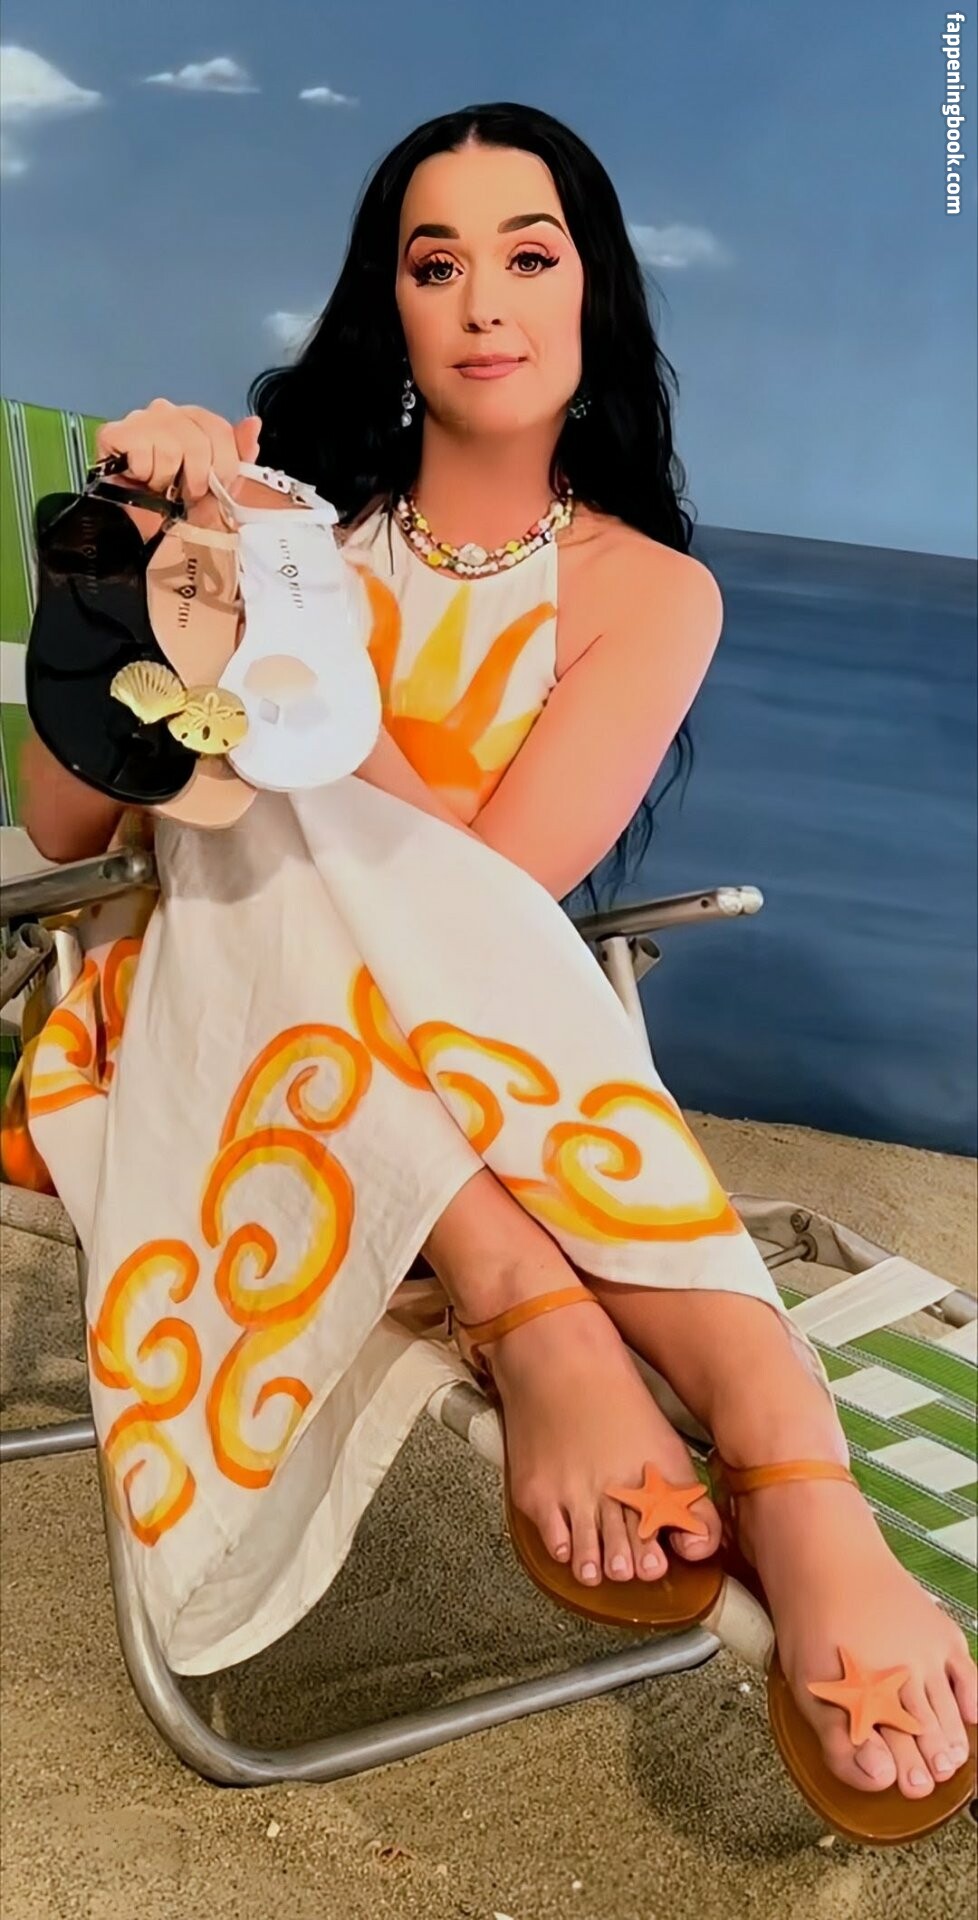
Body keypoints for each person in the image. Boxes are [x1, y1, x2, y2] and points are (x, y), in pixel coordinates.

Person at [20, 102, 975, 1820]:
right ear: (386, 307)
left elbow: (478, 906)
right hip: (181, 1023)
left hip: (463, 1029)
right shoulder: (280, 528)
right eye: (432, 262)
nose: (480, 301)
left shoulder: (646, 594)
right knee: (255, 835)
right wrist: (145, 546)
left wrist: (284, 628)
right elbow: (65, 821)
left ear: (591, 289)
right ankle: (622, 1355)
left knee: (314, 832)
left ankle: (664, 1383)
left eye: (527, 255)